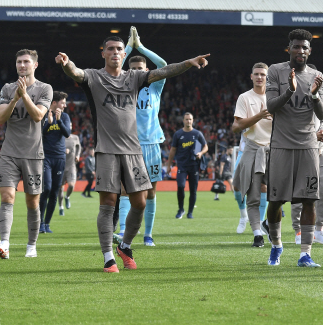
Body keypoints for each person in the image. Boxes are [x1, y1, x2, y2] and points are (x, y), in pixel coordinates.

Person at [56, 36, 209, 273]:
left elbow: (164, 71)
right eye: (111, 49)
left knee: (140, 201)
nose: (116, 52)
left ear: (123, 54)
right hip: (106, 150)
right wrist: (66, 64)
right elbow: (76, 74)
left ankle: (125, 246)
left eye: (119, 49)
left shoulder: (134, 77)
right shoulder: (95, 77)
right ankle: (108, 257)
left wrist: (188, 62)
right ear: (103, 53)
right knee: (108, 203)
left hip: (134, 150)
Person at [264, 29, 323, 267]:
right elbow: (271, 106)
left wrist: (313, 96)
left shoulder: (317, 76)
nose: (301, 51)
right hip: (281, 145)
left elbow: (322, 114)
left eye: (305, 47)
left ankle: (305, 254)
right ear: (288, 48)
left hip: (308, 145)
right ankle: (276, 246)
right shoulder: (275, 71)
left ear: (310, 51)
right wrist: (290, 89)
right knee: (276, 201)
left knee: (309, 201)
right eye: (297, 47)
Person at [0, 49, 53, 259]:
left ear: (35, 65)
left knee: (32, 202)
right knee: (7, 196)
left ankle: (31, 245)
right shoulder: (8, 88)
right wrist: (14, 99)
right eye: (19, 62)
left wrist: (25, 95)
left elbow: (38, 116)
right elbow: (1, 118)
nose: (22, 65)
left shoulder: (45, 89)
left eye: (26, 62)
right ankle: (4, 243)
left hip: (33, 154)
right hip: (9, 152)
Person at [121, 25, 168, 246]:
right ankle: (122, 231)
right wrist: (129, 47)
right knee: (124, 189)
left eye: (141, 68)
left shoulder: (155, 86)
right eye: (134, 69)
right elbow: (115, 65)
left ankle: (148, 234)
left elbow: (164, 66)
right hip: (128, 144)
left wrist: (141, 47)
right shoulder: (121, 84)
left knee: (150, 192)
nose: (138, 71)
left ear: (146, 69)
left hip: (151, 144)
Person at [231, 62, 272, 246]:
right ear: (251, 76)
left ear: (267, 76)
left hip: (275, 150)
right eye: (256, 74)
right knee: (252, 194)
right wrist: (260, 116)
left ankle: (268, 223)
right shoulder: (244, 98)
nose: (259, 77)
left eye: (263, 74)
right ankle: (257, 233)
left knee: (280, 195)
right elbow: (236, 127)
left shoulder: (275, 97)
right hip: (253, 148)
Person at [291, 117, 323, 245]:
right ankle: (298, 230)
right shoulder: (297, 104)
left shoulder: (319, 103)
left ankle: (319, 229)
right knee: (300, 191)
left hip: (320, 151)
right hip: (301, 150)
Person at [39, 91, 70, 234]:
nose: (64, 105)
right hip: (46, 157)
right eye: (62, 102)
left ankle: (46, 224)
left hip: (59, 158)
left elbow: (67, 133)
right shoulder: (44, 115)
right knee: (47, 188)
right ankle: (39, 223)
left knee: (54, 191)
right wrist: (49, 123)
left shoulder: (65, 116)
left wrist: (59, 121)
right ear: (54, 103)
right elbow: (39, 133)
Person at [167, 113, 208, 219]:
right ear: (183, 121)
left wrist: (201, 153)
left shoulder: (197, 133)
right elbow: (173, 150)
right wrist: (169, 165)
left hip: (194, 165)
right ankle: (181, 209)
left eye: (190, 119)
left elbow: (205, 147)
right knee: (180, 186)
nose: (188, 121)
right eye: (186, 119)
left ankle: (190, 212)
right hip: (182, 165)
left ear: (193, 120)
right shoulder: (178, 134)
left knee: (193, 190)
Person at [59, 132, 81, 215]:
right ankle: (61, 207)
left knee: (71, 185)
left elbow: (79, 146)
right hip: (61, 166)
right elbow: (54, 147)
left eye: (70, 125)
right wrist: (62, 150)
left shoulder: (75, 137)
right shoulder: (59, 136)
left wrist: (78, 155)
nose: (69, 126)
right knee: (60, 188)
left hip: (71, 166)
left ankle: (67, 197)